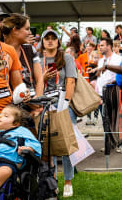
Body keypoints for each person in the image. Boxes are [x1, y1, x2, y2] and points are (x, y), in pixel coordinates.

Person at [39, 29, 77, 197]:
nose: (50, 41)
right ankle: (52, 181)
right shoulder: (39, 60)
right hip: (44, 104)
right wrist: (44, 78)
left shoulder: (67, 58)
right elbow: (36, 82)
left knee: (67, 144)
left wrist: (66, 104)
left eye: (53, 38)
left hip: (63, 103)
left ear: (58, 41)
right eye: (46, 38)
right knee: (49, 146)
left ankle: (68, 181)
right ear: (42, 42)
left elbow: (71, 81)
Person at [0, 3, 30, 131]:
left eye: (0, 20)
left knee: (6, 151)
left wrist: (24, 93)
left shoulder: (9, 50)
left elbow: (18, 84)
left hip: (7, 115)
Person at [0, 105, 41, 199]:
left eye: (6, 116)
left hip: (8, 162)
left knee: (3, 172)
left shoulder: (22, 131)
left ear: (15, 123)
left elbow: (36, 145)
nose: (0, 116)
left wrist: (28, 148)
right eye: (0, 114)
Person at [1, 13, 44, 105]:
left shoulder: (30, 49)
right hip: (9, 105)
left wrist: (37, 100)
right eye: (27, 29)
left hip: (32, 102)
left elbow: (40, 78)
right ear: (15, 30)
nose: (30, 33)